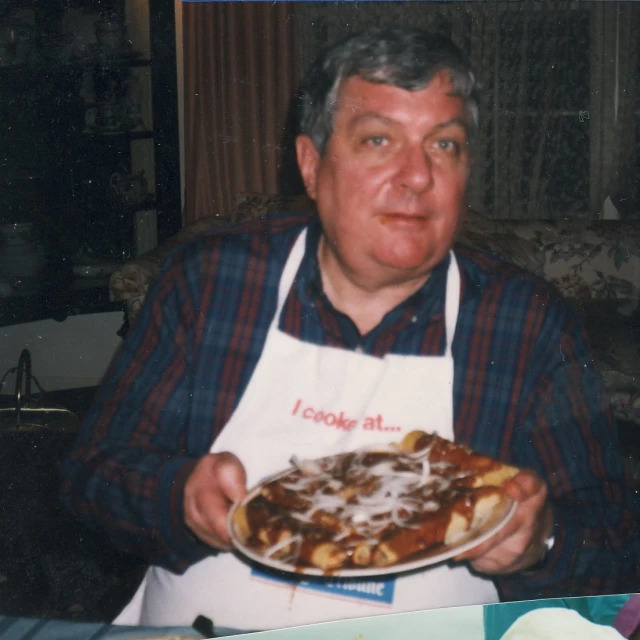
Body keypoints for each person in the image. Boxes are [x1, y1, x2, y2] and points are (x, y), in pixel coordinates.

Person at [60, 28, 639, 634]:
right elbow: (93, 474)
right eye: (378, 140)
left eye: (444, 145)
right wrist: (177, 495)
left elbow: (616, 548)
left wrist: (540, 543)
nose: (416, 176)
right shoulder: (211, 282)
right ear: (312, 166)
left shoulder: (525, 325)